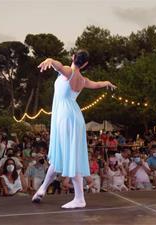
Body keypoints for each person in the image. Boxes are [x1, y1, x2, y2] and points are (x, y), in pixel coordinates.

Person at [32, 49, 117, 209]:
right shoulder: (83, 80)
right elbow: (97, 84)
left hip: (66, 118)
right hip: (74, 117)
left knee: (70, 156)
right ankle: (42, 189)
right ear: (85, 64)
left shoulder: (68, 71)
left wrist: (51, 58)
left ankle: (79, 198)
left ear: (73, 57)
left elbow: (58, 66)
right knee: (60, 156)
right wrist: (106, 83)